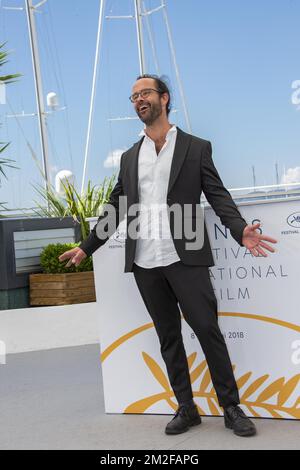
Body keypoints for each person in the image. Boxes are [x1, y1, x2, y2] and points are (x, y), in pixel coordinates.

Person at [59, 74, 277, 437]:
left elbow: (217, 194)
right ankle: (186, 407)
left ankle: (231, 407)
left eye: (144, 93)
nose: (138, 100)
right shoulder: (130, 157)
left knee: (207, 331)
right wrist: (87, 246)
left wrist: (240, 230)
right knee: (168, 337)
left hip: (186, 256)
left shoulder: (195, 147)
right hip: (145, 262)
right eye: (133, 97)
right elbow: (117, 206)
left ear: (164, 98)